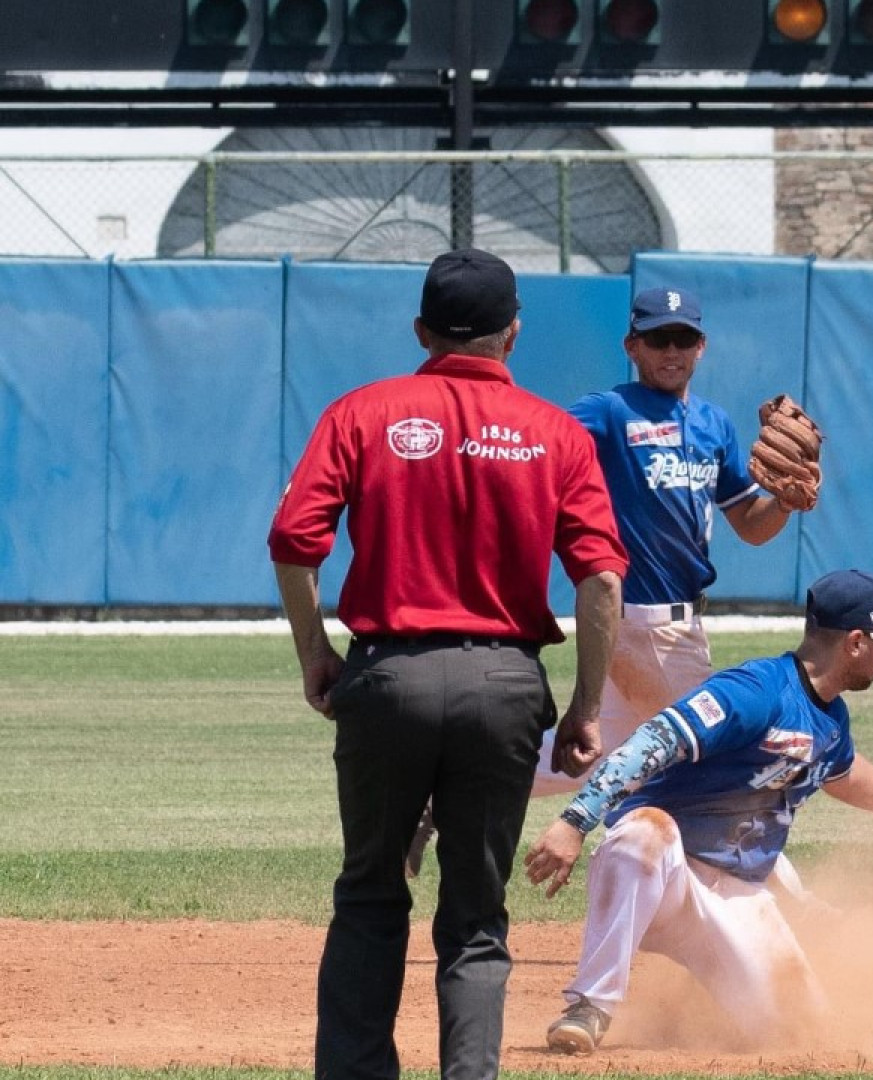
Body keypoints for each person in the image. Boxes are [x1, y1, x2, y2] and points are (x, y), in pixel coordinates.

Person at [267, 247, 628, 1080]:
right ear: (514, 334)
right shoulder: (555, 432)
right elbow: (602, 580)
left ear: (423, 330)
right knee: (474, 919)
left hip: (386, 679)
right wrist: (584, 706)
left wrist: (315, 652)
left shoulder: (363, 411)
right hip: (504, 686)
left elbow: (294, 543)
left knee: (369, 894)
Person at [523, 568, 873, 1055]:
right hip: (665, 877)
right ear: (856, 642)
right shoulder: (755, 690)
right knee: (643, 833)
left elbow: (845, 775)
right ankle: (590, 1005)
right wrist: (575, 820)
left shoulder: (830, 719)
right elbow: (652, 740)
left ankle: (692, 1011)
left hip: (737, 895)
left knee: (801, 1033)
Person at [529, 285, 801, 799]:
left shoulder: (713, 423)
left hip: (659, 627)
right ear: (632, 347)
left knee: (586, 755)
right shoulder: (611, 411)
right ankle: (772, 881)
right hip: (649, 625)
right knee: (719, 764)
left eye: (683, 338)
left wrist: (783, 501)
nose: (671, 351)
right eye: (657, 339)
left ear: (702, 346)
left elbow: (749, 523)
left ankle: (454, 792)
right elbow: (541, 443)